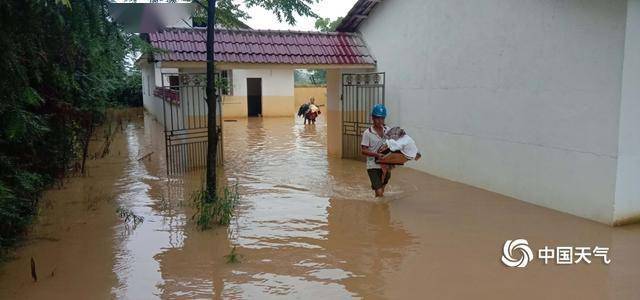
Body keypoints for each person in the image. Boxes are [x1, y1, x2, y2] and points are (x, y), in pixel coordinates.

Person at [361, 104, 391, 197]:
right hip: (372, 166)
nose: (380, 121)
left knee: (381, 190)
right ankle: (379, 209)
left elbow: (393, 143)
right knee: (379, 192)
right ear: (373, 118)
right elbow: (363, 151)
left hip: (385, 165)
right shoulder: (368, 133)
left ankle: (379, 207)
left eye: (382, 118)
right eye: (378, 118)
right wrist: (376, 155)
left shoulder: (387, 130)